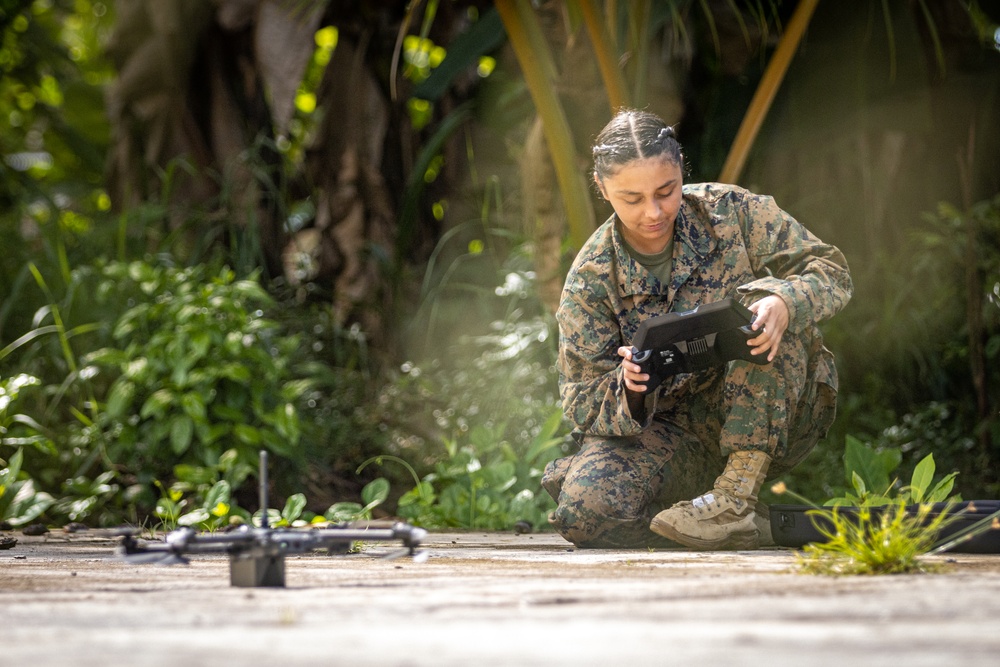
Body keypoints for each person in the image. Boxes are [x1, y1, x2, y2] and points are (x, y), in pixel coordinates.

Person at [542, 109, 853, 549]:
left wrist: (786, 300)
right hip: (668, 436)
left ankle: (733, 502)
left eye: (666, 191)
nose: (653, 212)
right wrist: (628, 387)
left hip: (768, 415)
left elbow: (831, 270)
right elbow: (579, 400)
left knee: (763, 309)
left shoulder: (734, 213)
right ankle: (726, 523)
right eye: (631, 199)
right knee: (585, 515)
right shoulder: (591, 278)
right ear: (603, 189)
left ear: (681, 173)